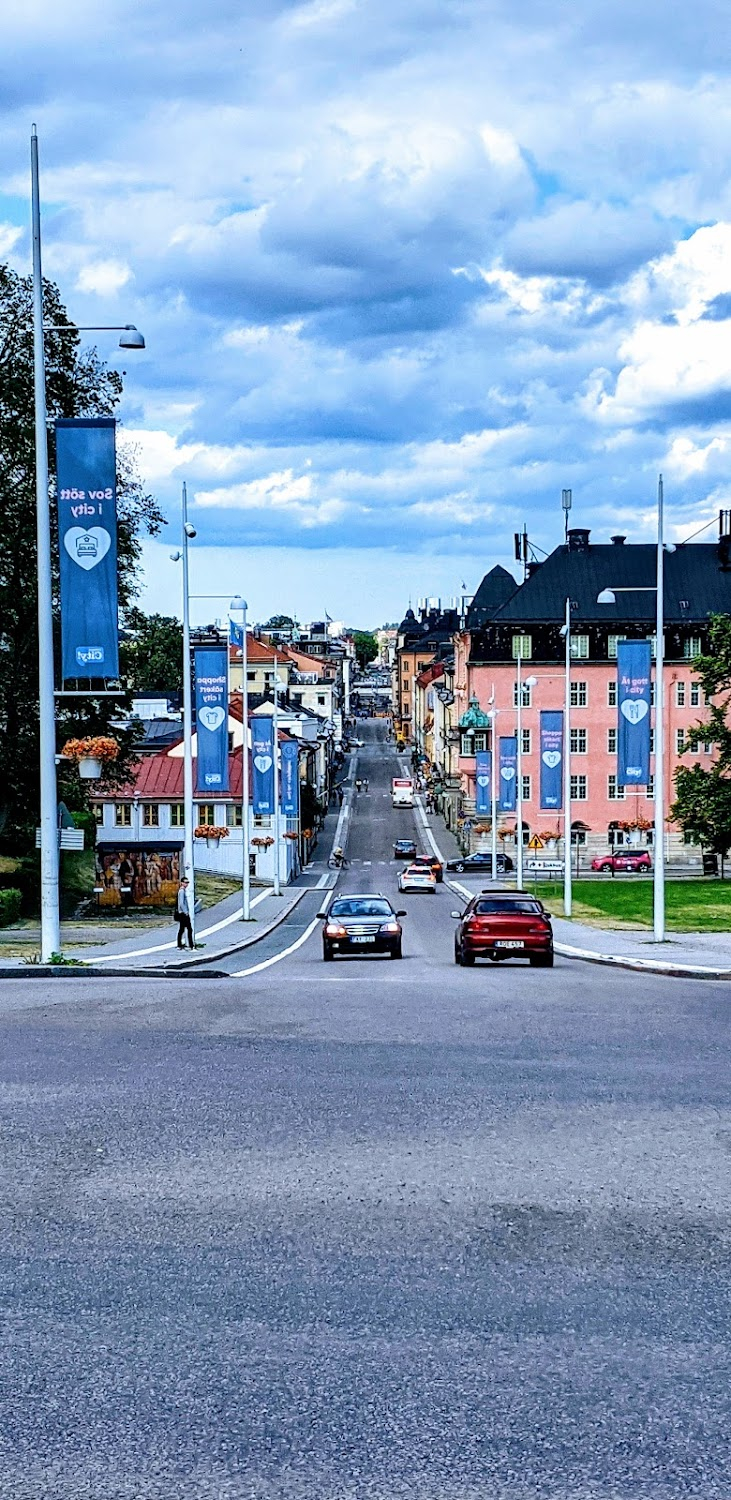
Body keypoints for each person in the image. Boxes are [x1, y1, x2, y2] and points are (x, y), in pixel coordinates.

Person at [174, 877, 194, 949]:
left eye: (187, 882)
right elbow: (182, 903)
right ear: (182, 883)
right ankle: (190, 944)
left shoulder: (182, 891)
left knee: (182, 929)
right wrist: (186, 912)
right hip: (183, 913)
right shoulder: (182, 891)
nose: (186, 884)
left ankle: (180, 944)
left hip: (182, 913)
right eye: (185, 882)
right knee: (189, 929)